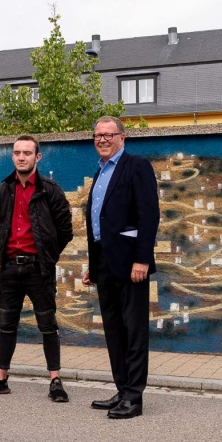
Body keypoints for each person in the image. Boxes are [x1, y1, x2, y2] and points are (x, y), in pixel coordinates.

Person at [0, 135, 74, 402]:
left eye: (27, 153)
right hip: (9, 268)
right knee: (7, 325)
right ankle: (0, 378)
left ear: (37, 157)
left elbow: (65, 231)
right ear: (12, 156)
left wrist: (47, 257)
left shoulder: (51, 190)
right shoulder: (3, 189)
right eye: (17, 152)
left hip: (39, 269)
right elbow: (2, 224)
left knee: (47, 325)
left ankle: (55, 380)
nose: (21, 157)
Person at [82, 116, 159, 419]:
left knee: (134, 330)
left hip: (130, 264)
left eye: (108, 134)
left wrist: (142, 259)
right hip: (104, 263)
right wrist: (92, 264)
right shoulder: (99, 172)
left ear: (122, 137)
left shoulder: (136, 166)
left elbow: (148, 216)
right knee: (114, 330)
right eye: (97, 135)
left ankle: (134, 398)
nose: (102, 139)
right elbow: (98, 224)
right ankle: (122, 387)